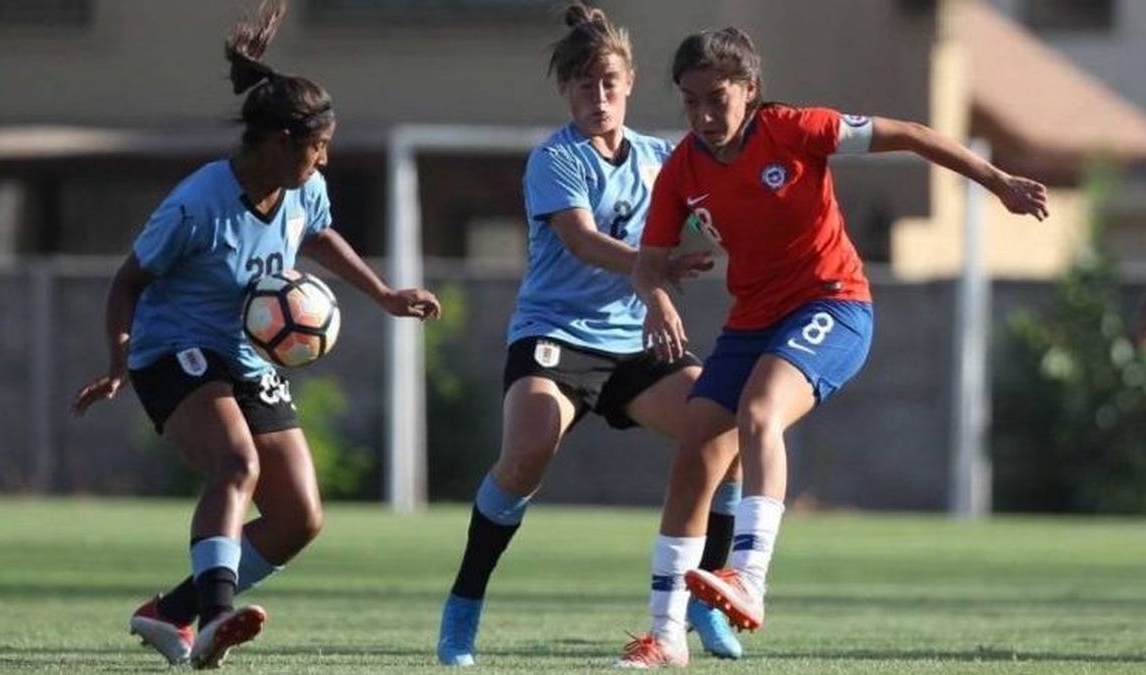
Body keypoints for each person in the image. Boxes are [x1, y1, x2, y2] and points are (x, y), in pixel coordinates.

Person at [616, 27, 1049, 667]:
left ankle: (750, 577)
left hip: (834, 306)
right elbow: (649, 263)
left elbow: (912, 133)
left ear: (751, 91)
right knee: (694, 454)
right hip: (752, 322)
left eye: (718, 98)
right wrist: (657, 296)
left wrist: (997, 181)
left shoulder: (795, 129)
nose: (705, 115)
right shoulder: (684, 167)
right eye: (690, 101)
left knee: (760, 411)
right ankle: (666, 634)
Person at [70, 1, 441, 669]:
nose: (323, 157)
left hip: (241, 354)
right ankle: (215, 617)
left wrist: (384, 293)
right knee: (235, 464)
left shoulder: (305, 187)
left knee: (300, 515)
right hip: (171, 350)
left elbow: (319, 233)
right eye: (316, 145)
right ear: (277, 143)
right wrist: (120, 360)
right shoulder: (196, 204)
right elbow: (126, 280)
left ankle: (171, 610)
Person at [435, 3, 744, 667]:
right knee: (526, 453)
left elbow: (723, 199)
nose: (597, 97)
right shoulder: (556, 159)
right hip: (556, 338)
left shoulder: (665, 157)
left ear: (629, 82)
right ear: (565, 91)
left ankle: (704, 604)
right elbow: (580, 240)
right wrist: (654, 272)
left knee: (726, 429)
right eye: (583, 85)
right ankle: (463, 604)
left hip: (635, 345)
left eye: (608, 83)